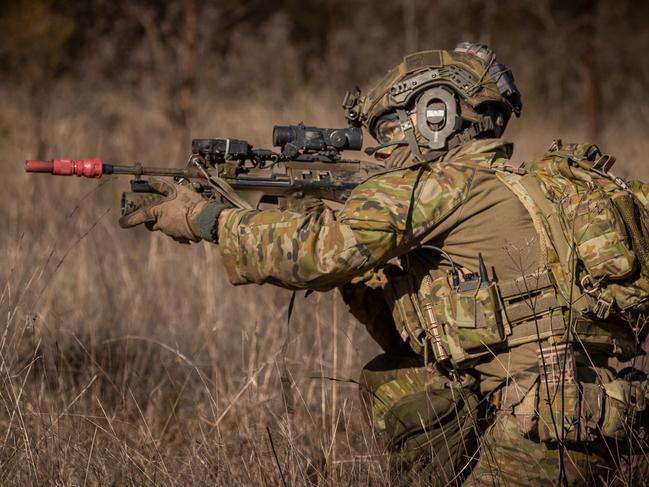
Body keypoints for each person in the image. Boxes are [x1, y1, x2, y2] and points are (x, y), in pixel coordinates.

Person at [120, 43, 649, 485]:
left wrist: (206, 218)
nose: (384, 147)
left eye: (392, 127)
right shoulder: (564, 185)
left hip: (544, 427)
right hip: (609, 413)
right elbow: (415, 333)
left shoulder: (444, 185)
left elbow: (316, 252)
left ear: (436, 114)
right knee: (406, 380)